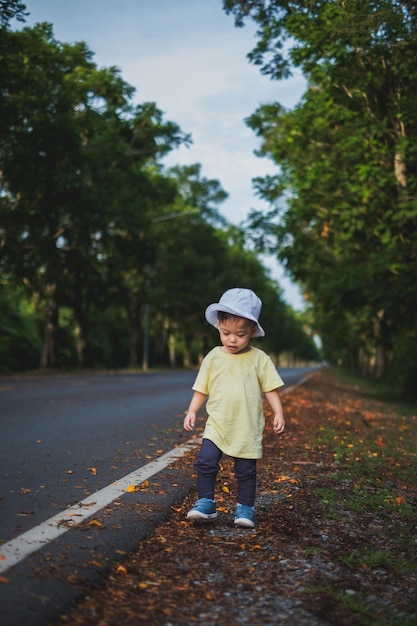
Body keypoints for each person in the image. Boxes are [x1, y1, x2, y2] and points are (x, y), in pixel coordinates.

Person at [184, 287, 285, 529]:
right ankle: (206, 502)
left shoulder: (259, 359)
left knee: (245, 470)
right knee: (206, 461)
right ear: (218, 325)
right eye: (227, 332)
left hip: (246, 426)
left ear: (252, 330)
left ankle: (245, 508)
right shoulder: (213, 357)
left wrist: (278, 412)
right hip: (217, 424)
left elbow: (270, 388)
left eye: (240, 334)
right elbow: (202, 388)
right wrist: (192, 410)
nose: (232, 339)